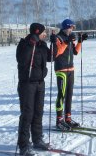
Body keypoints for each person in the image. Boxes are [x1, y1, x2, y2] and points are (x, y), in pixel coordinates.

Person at [16, 23, 51, 155]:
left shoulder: (42, 45)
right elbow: (22, 60)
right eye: (43, 32)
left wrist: (53, 44)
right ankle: (24, 146)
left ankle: (37, 140)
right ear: (37, 33)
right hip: (27, 84)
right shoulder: (24, 44)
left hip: (40, 83)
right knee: (27, 114)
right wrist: (31, 44)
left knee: (38, 112)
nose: (45, 34)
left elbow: (51, 57)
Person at [51, 19, 88, 130]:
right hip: (61, 69)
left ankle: (68, 118)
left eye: (72, 28)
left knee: (69, 94)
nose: (71, 30)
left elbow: (75, 52)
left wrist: (80, 41)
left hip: (70, 69)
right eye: (70, 28)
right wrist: (67, 42)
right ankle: (59, 120)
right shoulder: (58, 38)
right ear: (65, 27)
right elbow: (57, 52)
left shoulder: (70, 37)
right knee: (61, 94)